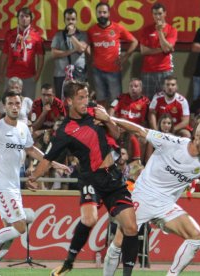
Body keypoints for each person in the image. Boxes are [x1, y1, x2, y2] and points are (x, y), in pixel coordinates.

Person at [28, 82, 139, 276]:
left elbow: (117, 134)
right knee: (89, 219)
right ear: (69, 101)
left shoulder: (95, 113)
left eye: (86, 96)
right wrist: (33, 177)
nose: (85, 101)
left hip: (112, 176)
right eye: (80, 97)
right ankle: (69, 262)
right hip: (91, 179)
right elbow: (47, 159)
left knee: (131, 227)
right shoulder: (64, 132)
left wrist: (107, 119)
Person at [103, 117, 200, 276]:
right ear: (197, 137)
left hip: (165, 205)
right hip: (142, 197)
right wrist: (109, 118)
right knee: (118, 243)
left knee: (196, 237)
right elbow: (140, 130)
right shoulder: (171, 143)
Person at [0, 91, 69, 276]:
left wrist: (53, 163)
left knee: (11, 231)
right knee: (19, 227)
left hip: (14, 187)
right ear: (5, 107)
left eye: (18, 103)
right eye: (11, 103)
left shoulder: (23, 128)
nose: (15, 106)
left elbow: (31, 149)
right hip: (0, 186)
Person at [87, 2, 138, 107]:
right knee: (100, 100)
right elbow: (87, 45)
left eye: (104, 12)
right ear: (96, 13)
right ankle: (102, 122)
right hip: (97, 71)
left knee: (115, 101)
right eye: (99, 12)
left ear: (109, 14)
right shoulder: (91, 30)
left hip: (114, 71)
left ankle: (114, 123)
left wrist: (124, 57)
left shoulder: (117, 28)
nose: (102, 15)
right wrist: (91, 58)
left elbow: (135, 42)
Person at [0, 7, 44, 99]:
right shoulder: (10, 34)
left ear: (31, 19)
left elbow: (41, 56)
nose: (24, 19)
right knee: (8, 104)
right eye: (21, 16)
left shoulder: (36, 36)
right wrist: (1, 72)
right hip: (11, 76)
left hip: (28, 77)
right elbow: (4, 54)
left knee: (27, 107)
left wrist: (37, 74)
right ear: (18, 18)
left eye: (27, 16)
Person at [140, 2, 177, 99]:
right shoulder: (146, 30)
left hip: (165, 70)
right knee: (148, 100)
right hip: (148, 70)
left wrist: (160, 31)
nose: (158, 16)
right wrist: (163, 49)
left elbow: (167, 48)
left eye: (160, 13)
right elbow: (143, 51)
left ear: (165, 13)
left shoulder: (172, 30)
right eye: (155, 14)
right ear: (152, 15)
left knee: (165, 100)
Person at [51, 7, 88, 98]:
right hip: (61, 74)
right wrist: (72, 50)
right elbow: (54, 54)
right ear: (64, 20)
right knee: (61, 101)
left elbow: (81, 48)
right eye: (68, 19)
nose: (70, 21)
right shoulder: (58, 35)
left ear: (76, 20)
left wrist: (71, 35)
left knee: (79, 99)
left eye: (73, 19)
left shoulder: (82, 35)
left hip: (78, 74)